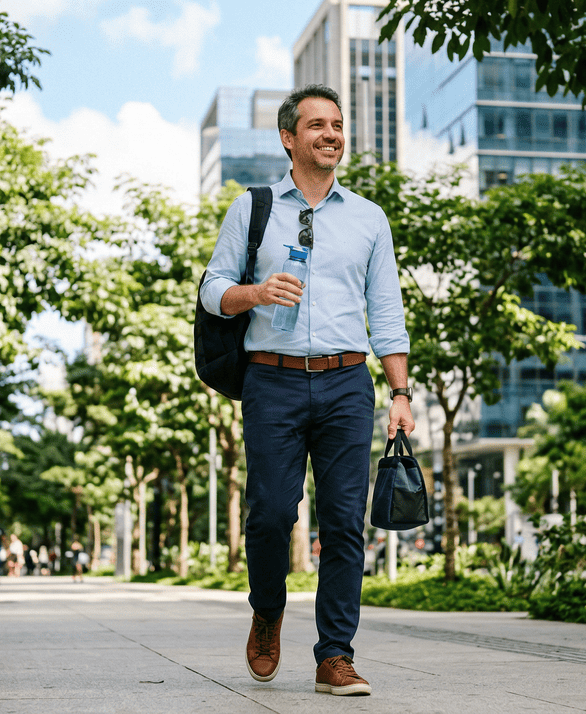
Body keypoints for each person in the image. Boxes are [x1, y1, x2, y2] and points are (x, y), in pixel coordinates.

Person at [199, 84, 414, 698]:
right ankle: (267, 611)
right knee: (270, 514)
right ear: (289, 138)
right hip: (272, 379)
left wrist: (400, 394)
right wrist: (256, 293)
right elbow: (213, 288)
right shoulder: (255, 207)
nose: (331, 134)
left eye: (338, 124)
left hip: (349, 383)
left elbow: (388, 312)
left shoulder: (369, 217)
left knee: (344, 522)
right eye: (316, 124)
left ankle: (335, 655)